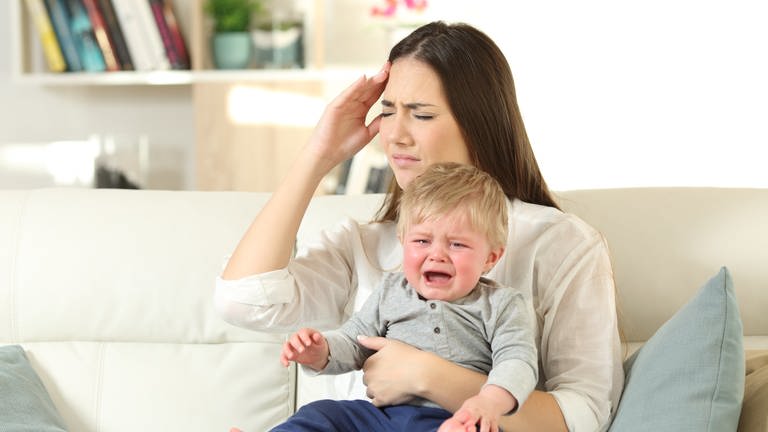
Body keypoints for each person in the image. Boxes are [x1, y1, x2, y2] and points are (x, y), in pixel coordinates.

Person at [215, 20, 623, 432]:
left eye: (421, 114)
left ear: (479, 123)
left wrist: (429, 377)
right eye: (387, 111)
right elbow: (243, 302)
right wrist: (318, 155)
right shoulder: (364, 243)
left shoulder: (560, 243)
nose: (394, 134)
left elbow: (586, 415)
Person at [272, 163, 538, 432]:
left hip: (454, 416)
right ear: (403, 241)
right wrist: (320, 351)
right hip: (381, 418)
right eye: (422, 241)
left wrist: (488, 403)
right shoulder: (391, 290)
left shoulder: (500, 304)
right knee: (321, 413)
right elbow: (355, 341)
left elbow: (517, 361)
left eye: (457, 244)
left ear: (491, 257)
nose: (437, 255)